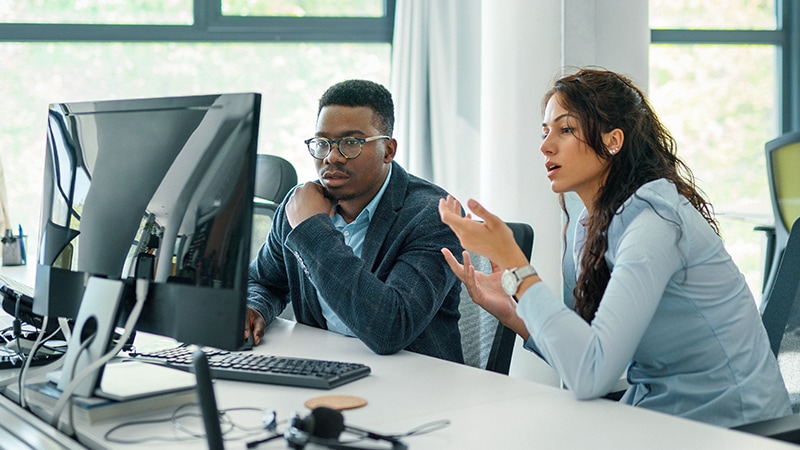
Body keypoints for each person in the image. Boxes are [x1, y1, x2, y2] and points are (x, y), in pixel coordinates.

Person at [438, 68, 791, 427]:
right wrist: (513, 312)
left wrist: (516, 266)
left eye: (566, 129)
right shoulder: (590, 227)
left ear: (613, 140)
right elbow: (585, 356)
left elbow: (591, 374)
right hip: (663, 417)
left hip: (732, 427)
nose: (545, 145)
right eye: (545, 132)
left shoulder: (656, 224)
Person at [246, 79, 465, 363]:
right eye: (322, 143)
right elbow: (264, 281)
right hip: (326, 369)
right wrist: (254, 309)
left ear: (388, 150)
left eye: (351, 143)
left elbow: (390, 328)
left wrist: (312, 230)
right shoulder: (299, 204)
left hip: (417, 385)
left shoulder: (433, 215)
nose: (332, 157)